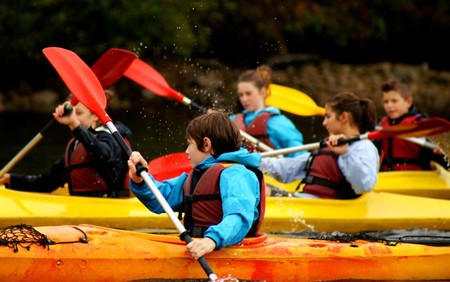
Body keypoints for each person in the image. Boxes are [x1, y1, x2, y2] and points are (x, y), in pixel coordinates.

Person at [127, 112, 264, 260]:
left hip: (227, 250)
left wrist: (211, 240)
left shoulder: (236, 175)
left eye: (189, 143)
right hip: (199, 247)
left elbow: (239, 217)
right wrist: (140, 179)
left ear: (206, 144)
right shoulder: (196, 175)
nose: (186, 151)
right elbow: (161, 197)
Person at [0, 90, 132, 198]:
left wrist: (74, 124)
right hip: (82, 208)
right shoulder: (75, 145)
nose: (73, 118)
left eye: (79, 113)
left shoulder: (112, 138)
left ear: (96, 116)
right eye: (71, 113)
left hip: (108, 206)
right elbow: (46, 183)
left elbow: (103, 154)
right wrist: (10, 179)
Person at [259, 92, 379, 199]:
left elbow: (363, 186)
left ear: (343, 117)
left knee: (262, 192)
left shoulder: (363, 147)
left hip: (328, 209)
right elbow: (286, 170)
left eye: (328, 116)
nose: (324, 123)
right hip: (305, 201)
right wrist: (256, 161)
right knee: (257, 186)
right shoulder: (328, 145)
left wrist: (346, 154)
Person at [229, 65, 305, 157]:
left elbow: (299, 156)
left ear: (263, 92)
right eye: (241, 95)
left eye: (248, 93)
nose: (244, 99)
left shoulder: (279, 122)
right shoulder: (232, 121)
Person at [377, 77, 447, 171]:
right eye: (386, 102)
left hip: (415, 178)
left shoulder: (422, 125)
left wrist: (440, 152)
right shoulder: (379, 125)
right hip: (387, 179)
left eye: (394, 101)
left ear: (408, 102)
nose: (389, 106)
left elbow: (439, 158)